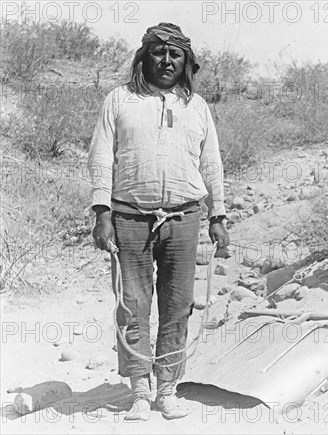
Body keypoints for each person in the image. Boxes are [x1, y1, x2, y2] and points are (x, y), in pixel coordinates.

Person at [87, 22, 229, 421]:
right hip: (128, 217)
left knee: (177, 304)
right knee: (132, 305)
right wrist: (101, 212)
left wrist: (218, 215)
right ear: (143, 57)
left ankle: (167, 388)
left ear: (186, 63)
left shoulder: (196, 107)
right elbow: (100, 157)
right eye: (158, 52)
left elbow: (212, 164)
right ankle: (138, 390)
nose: (166, 61)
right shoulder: (118, 100)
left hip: (184, 218)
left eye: (175, 55)